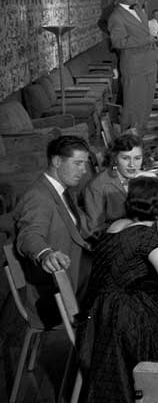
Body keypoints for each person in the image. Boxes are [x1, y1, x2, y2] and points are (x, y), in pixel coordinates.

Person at [78, 177, 158, 403]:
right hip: (121, 315)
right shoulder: (145, 235)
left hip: (97, 308)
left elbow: (140, 245)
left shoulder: (117, 225)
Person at [14, 136, 95, 326]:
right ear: (57, 161)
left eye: (85, 164)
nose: (84, 171)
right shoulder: (39, 197)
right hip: (63, 291)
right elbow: (29, 235)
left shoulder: (63, 190)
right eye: (78, 164)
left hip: (80, 271)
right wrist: (46, 254)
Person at [107, 0, 158, 132]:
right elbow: (118, 42)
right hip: (135, 68)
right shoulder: (116, 17)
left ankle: (140, 144)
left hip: (149, 64)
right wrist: (146, 39)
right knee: (133, 109)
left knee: (146, 107)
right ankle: (129, 145)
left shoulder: (136, 6)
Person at [82, 133, 151, 235]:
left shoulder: (143, 177)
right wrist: (127, 225)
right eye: (125, 158)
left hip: (142, 232)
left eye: (137, 158)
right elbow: (95, 229)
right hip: (116, 240)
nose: (132, 165)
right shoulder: (97, 185)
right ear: (114, 159)